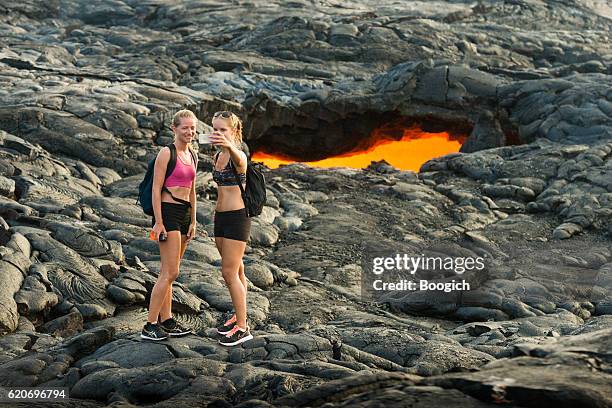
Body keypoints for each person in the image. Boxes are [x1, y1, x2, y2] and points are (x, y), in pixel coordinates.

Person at [141, 109, 198, 341]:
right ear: (174, 128)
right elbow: (156, 188)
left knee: (170, 272)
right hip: (167, 213)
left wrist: (193, 219)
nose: (190, 132)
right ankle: (150, 325)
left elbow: (192, 189)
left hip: (184, 214)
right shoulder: (167, 153)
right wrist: (159, 222)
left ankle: (167, 320)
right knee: (170, 271)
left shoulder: (193, 154)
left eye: (193, 127)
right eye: (185, 127)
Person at [210, 111, 253, 346]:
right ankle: (239, 314)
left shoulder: (239, 156)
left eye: (223, 129)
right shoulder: (218, 155)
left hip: (238, 217)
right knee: (237, 271)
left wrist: (230, 145)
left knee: (228, 272)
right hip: (221, 218)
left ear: (234, 132)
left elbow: (240, 160)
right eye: (215, 129)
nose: (217, 133)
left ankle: (243, 327)